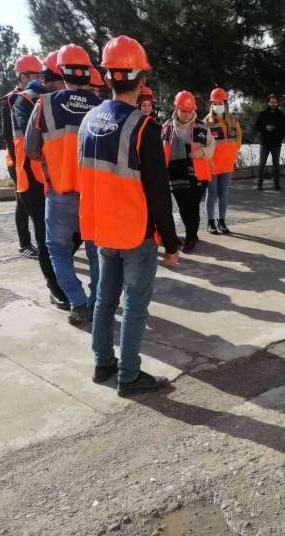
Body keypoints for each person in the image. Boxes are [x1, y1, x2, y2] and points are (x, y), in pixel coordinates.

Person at [78, 35, 180, 395]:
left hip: (102, 229)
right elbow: (157, 192)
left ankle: (102, 362)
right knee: (135, 305)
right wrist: (171, 242)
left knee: (105, 299)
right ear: (141, 80)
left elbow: (84, 180)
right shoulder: (143, 127)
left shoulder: (89, 121)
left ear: (107, 78)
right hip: (135, 232)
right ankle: (129, 376)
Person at [24, 44, 102, 325]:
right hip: (94, 194)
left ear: (61, 71)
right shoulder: (103, 108)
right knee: (96, 250)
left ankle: (78, 303)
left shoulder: (44, 105)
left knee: (58, 249)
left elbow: (32, 151)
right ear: (87, 72)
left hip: (59, 191)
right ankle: (98, 302)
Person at [9, 52, 69, 310]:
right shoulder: (22, 101)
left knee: (63, 236)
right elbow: (21, 143)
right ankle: (54, 288)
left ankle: (64, 281)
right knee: (45, 238)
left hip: (56, 176)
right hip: (33, 180)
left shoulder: (59, 100)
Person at [0, 55, 41, 260]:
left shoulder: (34, 96)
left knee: (29, 200)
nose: (39, 79)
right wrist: (17, 164)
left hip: (31, 158)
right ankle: (25, 243)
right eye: (35, 75)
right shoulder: (9, 99)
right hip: (17, 160)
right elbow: (8, 135)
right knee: (23, 201)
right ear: (23, 76)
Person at [161, 91, 215, 253]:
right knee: (184, 207)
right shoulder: (166, 127)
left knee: (192, 206)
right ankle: (192, 233)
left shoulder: (202, 127)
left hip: (198, 174)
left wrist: (202, 153)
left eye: (189, 111)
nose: (186, 114)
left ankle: (190, 238)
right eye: (183, 111)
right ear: (176, 108)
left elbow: (212, 147)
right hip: (176, 174)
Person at [204, 88, 241, 235]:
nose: (217, 105)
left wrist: (232, 152)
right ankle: (210, 222)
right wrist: (208, 159)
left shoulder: (233, 120)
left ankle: (222, 221)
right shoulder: (206, 122)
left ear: (225, 104)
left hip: (227, 164)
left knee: (223, 194)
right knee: (211, 194)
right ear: (211, 105)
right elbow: (202, 143)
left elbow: (238, 137)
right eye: (215, 103)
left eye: (220, 103)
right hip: (212, 164)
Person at [254, 94, 285, 190]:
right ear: (268, 103)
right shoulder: (263, 114)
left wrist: (279, 136)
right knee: (262, 163)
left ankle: (277, 184)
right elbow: (257, 127)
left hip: (276, 144)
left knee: (276, 164)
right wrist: (265, 128)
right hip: (264, 144)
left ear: (277, 103)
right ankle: (259, 183)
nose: (273, 104)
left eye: (275, 102)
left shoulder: (281, 115)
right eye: (272, 102)